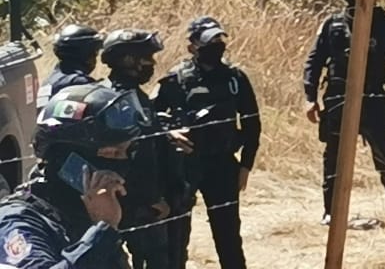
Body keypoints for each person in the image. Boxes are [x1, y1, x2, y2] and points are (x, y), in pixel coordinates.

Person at [303, 0, 385, 229]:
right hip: (338, 100)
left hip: (374, 98)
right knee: (334, 160)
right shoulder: (333, 25)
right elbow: (314, 61)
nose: (364, 1)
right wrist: (310, 97)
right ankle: (332, 214)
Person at [0, 82, 145, 269]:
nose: (121, 163)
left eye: (126, 152)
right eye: (111, 153)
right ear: (66, 157)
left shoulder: (87, 211)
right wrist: (103, 231)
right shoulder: (18, 221)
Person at [154, 17, 260, 269]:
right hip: (184, 166)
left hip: (223, 165)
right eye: (208, 42)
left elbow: (252, 125)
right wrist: (170, 133)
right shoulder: (176, 79)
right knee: (177, 234)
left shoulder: (235, 78)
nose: (216, 46)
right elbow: (151, 118)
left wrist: (246, 165)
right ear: (192, 47)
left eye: (218, 40)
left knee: (228, 234)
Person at [102, 30, 182, 269]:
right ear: (128, 60)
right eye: (146, 57)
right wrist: (153, 200)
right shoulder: (127, 101)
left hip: (115, 200)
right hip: (137, 206)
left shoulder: (105, 93)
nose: (152, 63)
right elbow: (142, 157)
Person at [37, 26, 105, 110]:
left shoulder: (48, 82)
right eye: (94, 52)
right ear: (84, 53)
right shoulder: (79, 83)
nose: (95, 57)